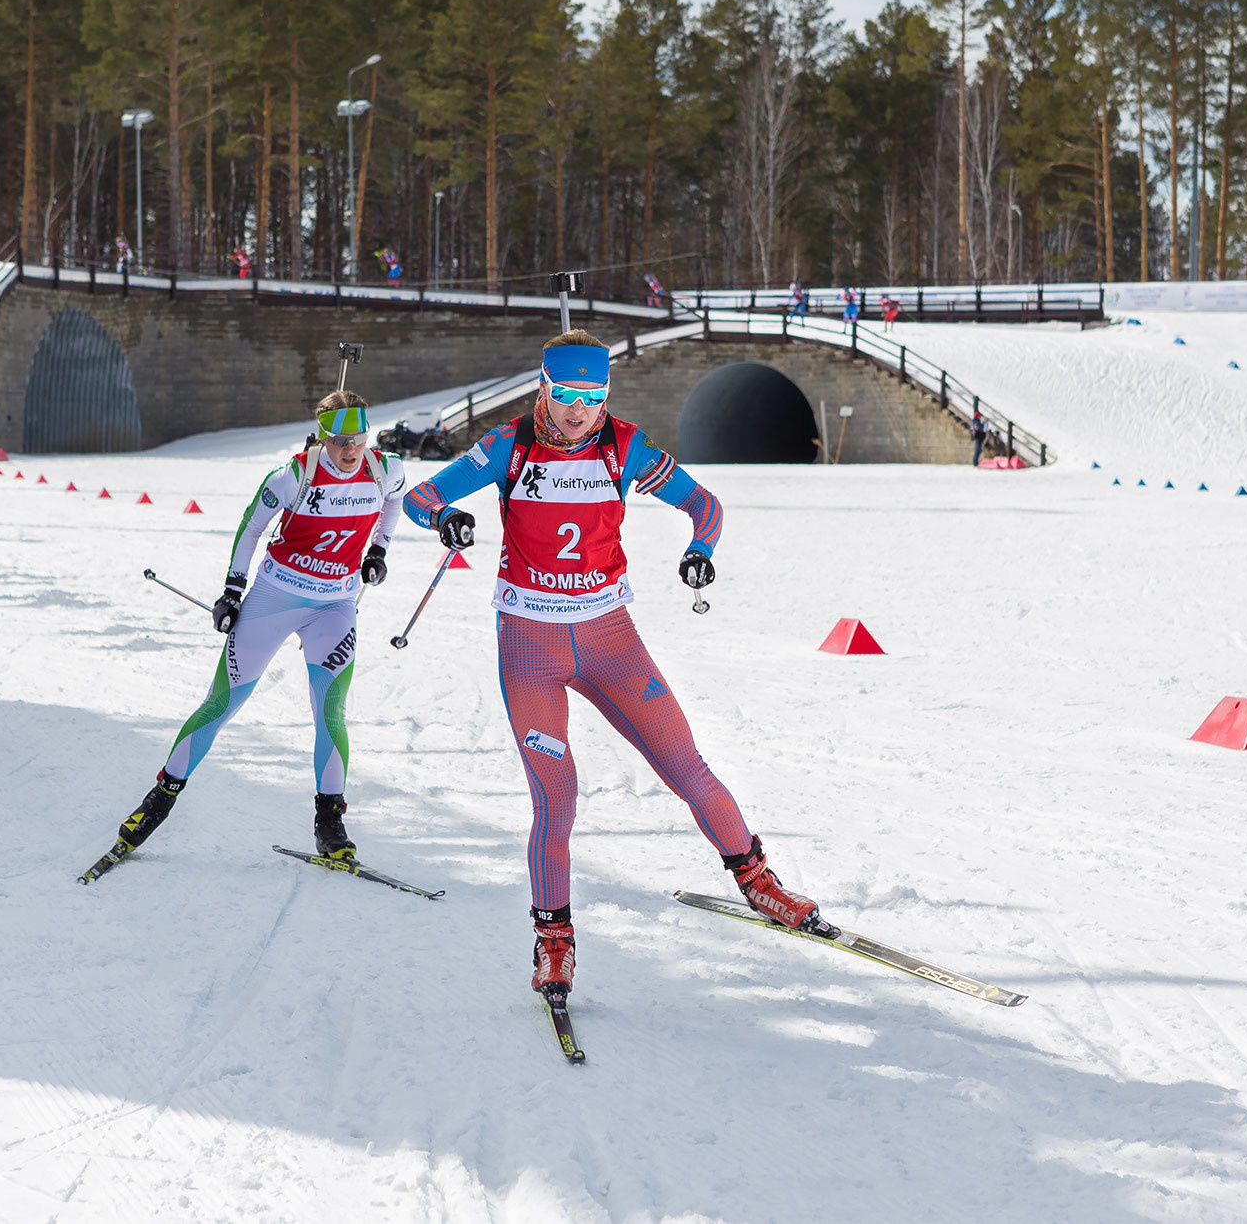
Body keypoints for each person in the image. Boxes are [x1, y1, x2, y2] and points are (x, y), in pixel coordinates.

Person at [403, 330, 829, 999]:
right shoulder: (508, 445)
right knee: (557, 797)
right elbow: (420, 496)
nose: (576, 412)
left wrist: (699, 547)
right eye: (565, 395)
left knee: (687, 764)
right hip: (530, 646)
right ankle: (554, 939)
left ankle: (760, 883)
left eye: (591, 397)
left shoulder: (624, 446)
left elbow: (703, 504)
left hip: (610, 638)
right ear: (542, 387)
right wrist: (446, 515)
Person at [97, 391, 407, 865]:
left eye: (359, 439)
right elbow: (251, 527)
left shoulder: (385, 469)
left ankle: (330, 824)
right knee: (222, 704)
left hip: (336, 604)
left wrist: (378, 550)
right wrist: (231, 592)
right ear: (324, 438)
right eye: (342, 440)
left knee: (331, 710)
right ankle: (156, 803)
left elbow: (395, 502)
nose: (352, 450)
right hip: (275, 598)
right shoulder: (294, 475)